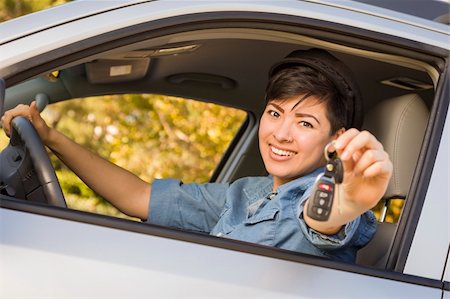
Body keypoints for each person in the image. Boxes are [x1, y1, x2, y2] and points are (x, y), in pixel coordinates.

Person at [1, 48, 392, 262]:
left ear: (336, 139)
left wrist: (345, 201)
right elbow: (138, 197)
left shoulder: (324, 199)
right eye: (275, 113)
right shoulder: (246, 194)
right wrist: (51, 137)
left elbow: (320, 221)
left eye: (305, 123)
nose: (281, 133)